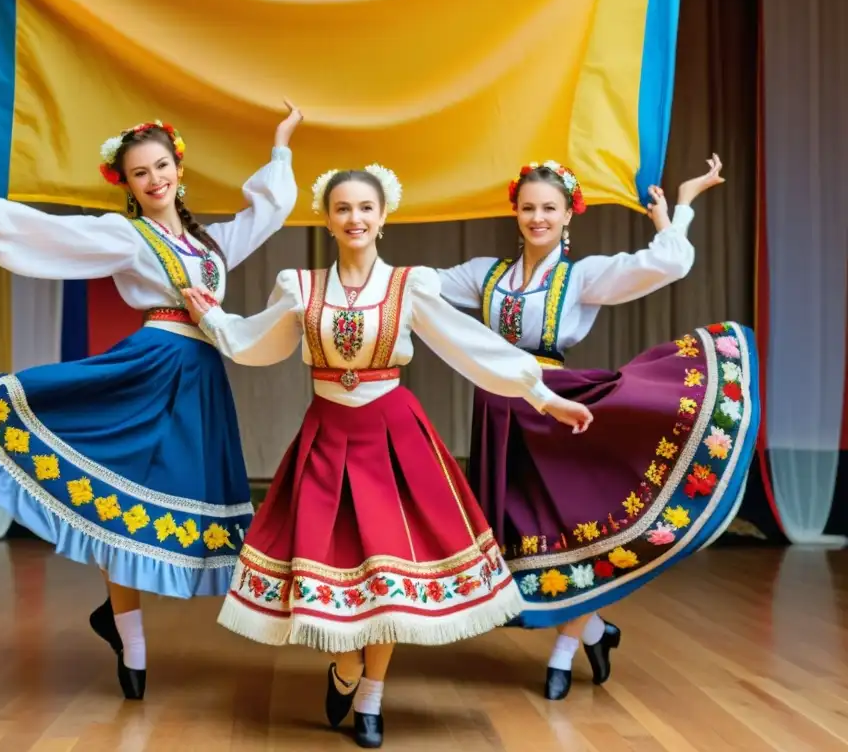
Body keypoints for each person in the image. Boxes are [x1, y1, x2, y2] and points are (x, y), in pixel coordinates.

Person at [0, 102, 303, 701]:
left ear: (179, 169)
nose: (155, 180)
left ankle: (118, 621)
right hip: (147, 369)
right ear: (125, 184)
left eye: (162, 167)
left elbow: (270, 210)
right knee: (112, 498)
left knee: (175, 502)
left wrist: (281, 145)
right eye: (140, 173)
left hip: (200, 380)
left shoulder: (212, 247)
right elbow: (45, 234)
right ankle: (132, 641)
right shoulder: (126, 236)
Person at [179, 164, 593, 747]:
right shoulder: (300, 287)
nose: (355, 219)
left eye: (365, 209)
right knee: (338, 560)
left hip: (393, 436)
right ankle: (346, 665)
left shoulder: (411, 285)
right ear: (327, 219)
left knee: (389, 569)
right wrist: (212, 319)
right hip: (326, 436)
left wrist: (545, 398)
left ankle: (371, 694)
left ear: (383, 217)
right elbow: (255, 342)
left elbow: (472, 347)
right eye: (343, 209)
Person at [438, 156, 759, 700]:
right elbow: (416, 288)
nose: (537, 217)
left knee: (570, 524)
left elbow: (669, 263)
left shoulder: (580, 276)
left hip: (555, 410)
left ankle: (564, 650)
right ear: (514, 212)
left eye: (549, 209)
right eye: (528, 208)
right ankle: (595, 630)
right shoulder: (482, 274)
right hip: (498, 413)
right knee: (515, 537)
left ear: (569, 215)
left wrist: (676, 209)